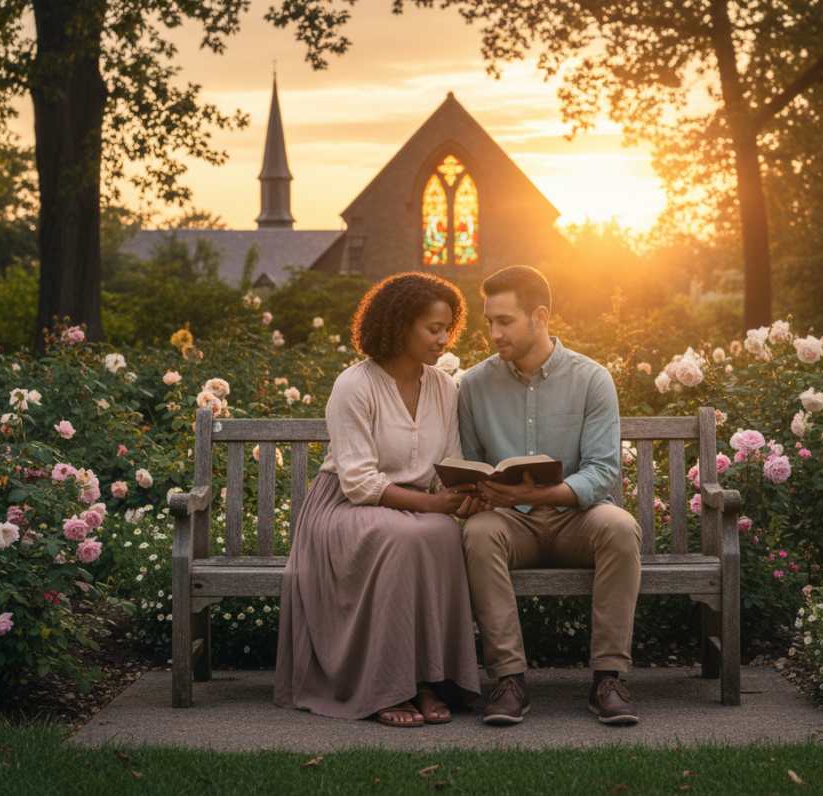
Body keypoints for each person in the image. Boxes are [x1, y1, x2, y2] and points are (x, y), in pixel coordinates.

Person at [274, 272, 485, 727]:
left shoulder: (444, 388)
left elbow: (448, 463)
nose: (444, 339)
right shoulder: (355, 385)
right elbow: (358, 482)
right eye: (433, 328)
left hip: (413, 509)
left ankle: (427, 682)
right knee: (404, 535)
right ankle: (386, 687)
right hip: (346, 509)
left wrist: (464, 494)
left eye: (448, 327)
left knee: (444, 533)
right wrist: (431, 505)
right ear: (399, 326)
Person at [458, 265, 643, 725]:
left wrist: (539, 496)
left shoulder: (592, 379)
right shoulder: (473, 385)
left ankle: (609, 678)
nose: (494, 333)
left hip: (575, 520)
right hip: (508, 524)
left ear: (539, 317)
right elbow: (468, 463)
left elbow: (603, 471)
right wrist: (476, 489)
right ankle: (508, 681)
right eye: (489, 322)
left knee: (621, 527)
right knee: (478, 533)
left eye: (505, 321)